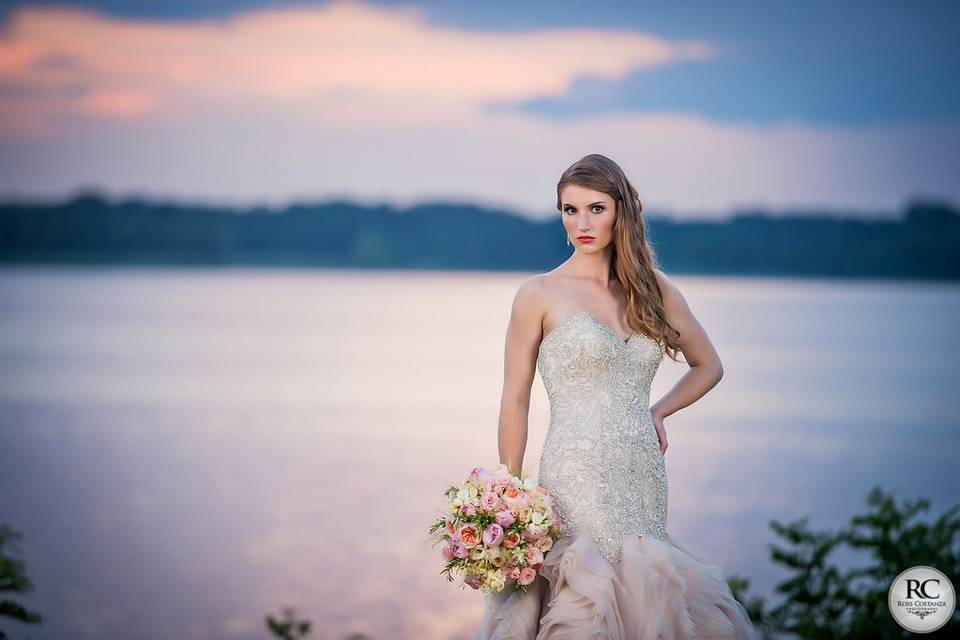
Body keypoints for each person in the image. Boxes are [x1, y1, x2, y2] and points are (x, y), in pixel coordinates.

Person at [475, 154, 756, 639]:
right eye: (569, 210)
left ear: (621, 211)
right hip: (573, 475)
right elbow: (514, 398)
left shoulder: (654, 291)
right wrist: (510, 490)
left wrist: (659, 410)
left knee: (646, 598)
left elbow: (708, 366)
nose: (581, 223)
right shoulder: (538, 294)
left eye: (595, 209)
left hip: (641, 475)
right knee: (583, 602)